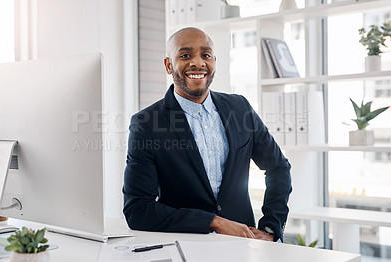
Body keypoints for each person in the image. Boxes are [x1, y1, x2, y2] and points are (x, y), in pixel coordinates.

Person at [122, 27, 292, 242]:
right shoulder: (147, 124)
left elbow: (278, 168)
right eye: (185, 55)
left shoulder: (240, 108)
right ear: (168, 65)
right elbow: (138, 210)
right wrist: (214, 221)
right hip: (185, 246)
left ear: (214, 62)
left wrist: (270, 228)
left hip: (244, 245)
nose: (198, 63)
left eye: (206, 55)